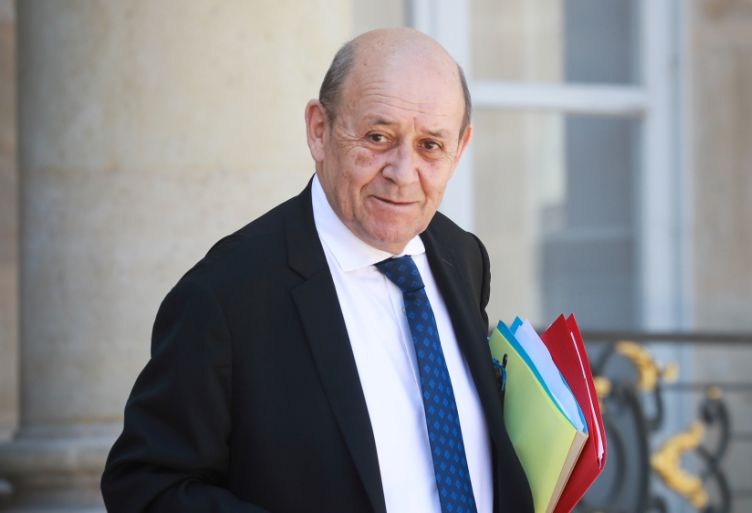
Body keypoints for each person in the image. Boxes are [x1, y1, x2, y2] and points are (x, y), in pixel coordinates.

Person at [101, 28, 533, 513]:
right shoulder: (225, 295)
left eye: (431, 145)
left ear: (461, 148)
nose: (402, 173)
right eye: (378, 137)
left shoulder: (463, 257)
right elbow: (146, 487)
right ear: (319, 130)